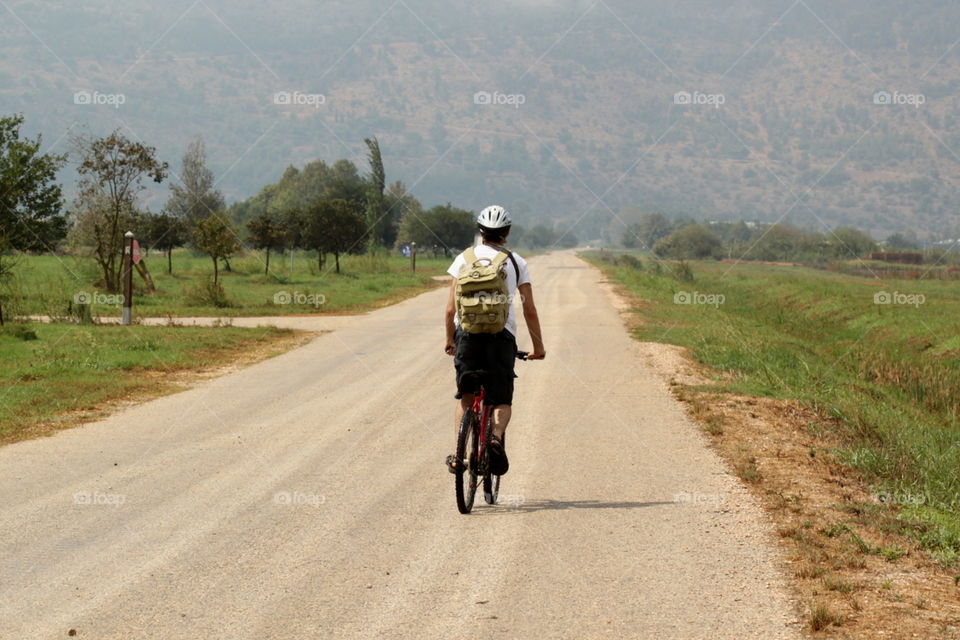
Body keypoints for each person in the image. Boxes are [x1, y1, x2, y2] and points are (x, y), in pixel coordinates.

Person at [444, 205, 545, 476]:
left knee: (466, 397)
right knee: (501, 399)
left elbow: (451, 309)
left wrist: (449, 340)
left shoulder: (463, 259)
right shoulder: (516, 262)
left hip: (466, 335)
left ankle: (458, 455)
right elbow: (529, 309)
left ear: (480, 231)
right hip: (501, 336)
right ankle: (495, 438)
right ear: (507, 233)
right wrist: (538, 347)